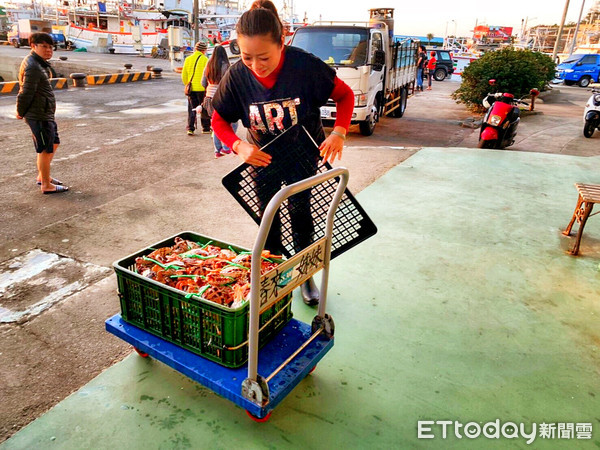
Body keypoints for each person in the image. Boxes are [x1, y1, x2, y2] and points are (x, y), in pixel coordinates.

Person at [211, 0, 354, 306]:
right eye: (247, 57)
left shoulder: (304, 65)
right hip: (262, 160)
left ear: (282, 42)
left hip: (303, 155)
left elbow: (345, 95)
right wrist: (238, 145)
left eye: (264, 57)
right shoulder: (237, 76)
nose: (255, 66)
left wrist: (340, 132)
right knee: (268, 217)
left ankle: (305, 275)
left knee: (301, 213)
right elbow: (218, 118)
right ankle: (274, 274)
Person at [16, 32, 68, 194]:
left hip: (44, 113)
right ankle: (46, 184)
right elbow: (25, 93)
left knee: (54, 143)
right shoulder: (33, 66)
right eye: (44, 46)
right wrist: (20, 111)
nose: (48, 50)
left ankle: (42, 176)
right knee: (45, 150)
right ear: (33, 46)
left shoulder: (38, 63)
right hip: (38, 115)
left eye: (50, 47)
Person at [201, 45, 238, 158]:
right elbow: (230, 84)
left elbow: (203, 82)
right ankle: (226, 147)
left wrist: (211, 86)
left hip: (208, 99)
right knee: (233, 123)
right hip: (222, 98)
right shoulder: (226, 66)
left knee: (216, 123)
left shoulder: (208, 65)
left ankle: (217, 150)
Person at [182, 40, 211, 135]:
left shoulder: (188, 59)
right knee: (204, 108)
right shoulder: (206, 60)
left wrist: (187, 84)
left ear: (195, 49)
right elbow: (208, 75)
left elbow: (184, 75)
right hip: (203, 89)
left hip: (192, 89)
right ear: (204, 50)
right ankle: (206, 128)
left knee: (192, 108)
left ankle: (190, 128)